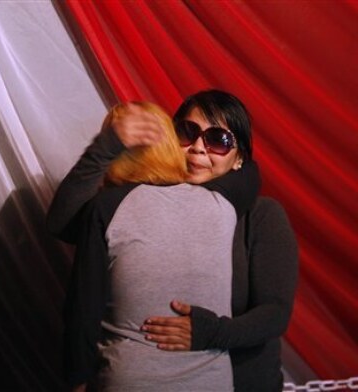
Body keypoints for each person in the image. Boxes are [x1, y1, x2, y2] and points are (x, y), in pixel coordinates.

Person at [48, 90, 298, 392]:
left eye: (218, 140)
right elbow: (65, 224)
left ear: (238, 159)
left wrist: (212, 332)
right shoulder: (141, 204)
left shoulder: (262, 216)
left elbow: (274, 314)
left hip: (242, 381)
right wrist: (106, 148)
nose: (198, 148)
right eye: (187, 132)